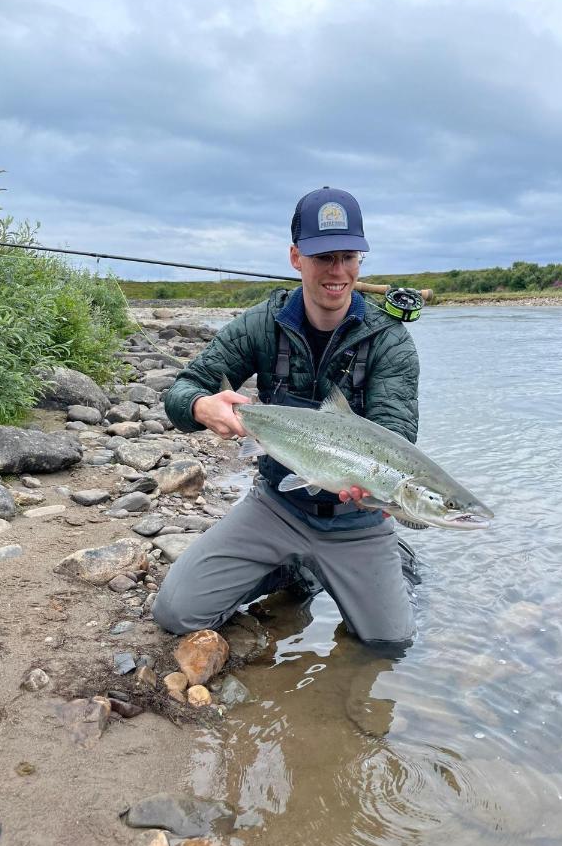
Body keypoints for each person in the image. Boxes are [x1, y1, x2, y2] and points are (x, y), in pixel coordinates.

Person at [153, 187, 421, 645]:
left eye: (349, 257)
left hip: (357, 521)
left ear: (360, 260)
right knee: (177, 612)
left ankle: (386, 558)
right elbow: (183, 389)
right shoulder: (263, 323)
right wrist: (203, 405)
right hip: (277, 506)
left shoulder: (389, 340)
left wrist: (373, 488)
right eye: (323, 257)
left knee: (389, 644)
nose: (337, 272)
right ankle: (293, 567)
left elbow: (397, 435)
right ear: (297, 258)